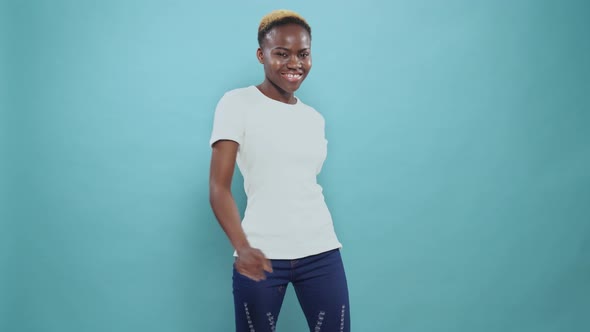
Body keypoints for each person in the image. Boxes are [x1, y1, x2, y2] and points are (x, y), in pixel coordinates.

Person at [209, 9, 350, 332]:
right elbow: (218, 187)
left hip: (321, 252)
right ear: (261, 55)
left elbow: (301, 184)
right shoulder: (237, 103)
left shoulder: (314, 118)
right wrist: (243, 247)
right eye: (282, 54)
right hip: (261, 253)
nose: (294, 64)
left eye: (303, 54)